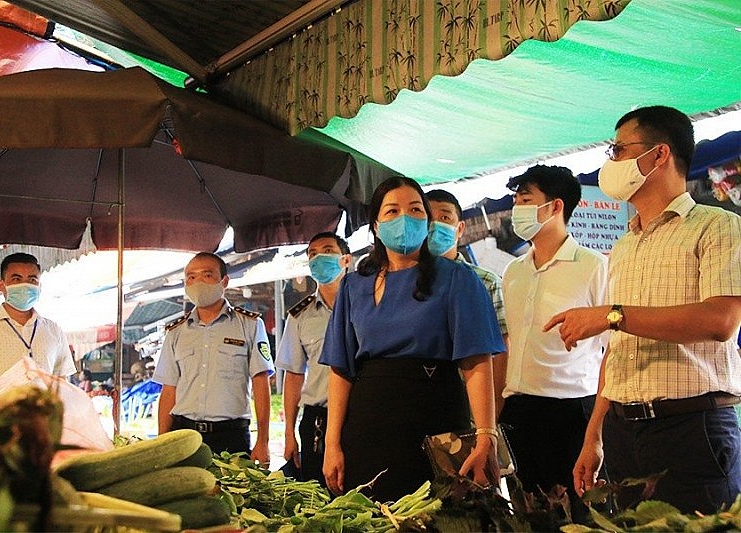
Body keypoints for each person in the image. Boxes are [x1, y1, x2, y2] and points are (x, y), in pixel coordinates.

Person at [545, 105, 741, 514]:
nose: (611, 161)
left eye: (618, 150)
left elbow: (721, 321)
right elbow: (617, 350)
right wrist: (594, 436)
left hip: (691, 428)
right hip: (623, 430)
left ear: (659, 155)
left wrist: (612, 314)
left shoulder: (716, 226)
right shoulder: (624, 245)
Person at [319, 176, 505, 502]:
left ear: (427, 221)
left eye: (415, 209)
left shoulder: (459, 279)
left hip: (438, 424)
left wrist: (485, 436)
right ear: (376, 226)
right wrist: (332, 444)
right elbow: (340, 371)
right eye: (392, 211)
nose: (405, 218)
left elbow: (477, 362)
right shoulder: (353, 286)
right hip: (367, 426)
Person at [498, 165, 608, 521]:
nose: (516, 208)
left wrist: (598, 430)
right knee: (528, 517)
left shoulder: (594, 266)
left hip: (573, 412)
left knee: (580, 517)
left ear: (555, 207)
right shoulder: (513, 272)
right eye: (515, 199)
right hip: (518, 410)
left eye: (525, 199)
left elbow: (614, 348)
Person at [153, 252, 274, 465]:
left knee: (232, 496)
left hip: (231, 436)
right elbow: (169, 390)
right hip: (184, 433)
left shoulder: (250, 325)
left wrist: (263, 441)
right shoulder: (176, 332)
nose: (197, 281)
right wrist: (163, 443)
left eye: (207, 275)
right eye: (191, 277)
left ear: (224, 281)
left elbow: (260, 383)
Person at [276, 232, 352, 485]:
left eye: (328, 250)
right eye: (312, 254)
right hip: (317, 419)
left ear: (346, 260)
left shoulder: (367, 305)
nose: (319, 257)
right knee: (318, 498)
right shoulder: (300, 317)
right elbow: (294, 376)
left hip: (360, 413)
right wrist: (289, 433)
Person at [425, 189, 510, 416]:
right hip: (420, 401)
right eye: (427, 218)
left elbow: (501, 351)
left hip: (469, 406)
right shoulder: (404, 282)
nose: (435, 226)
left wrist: (493, 412)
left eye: (444, 218)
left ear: (460, 228)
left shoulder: (485, 282)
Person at [0, 252, 75, 395]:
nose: (25, 285)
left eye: (32, 279)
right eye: (16, 279)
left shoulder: (54, 331)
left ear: (39, 286)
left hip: (43, 416)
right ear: (1, 285)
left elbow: (62, 387)